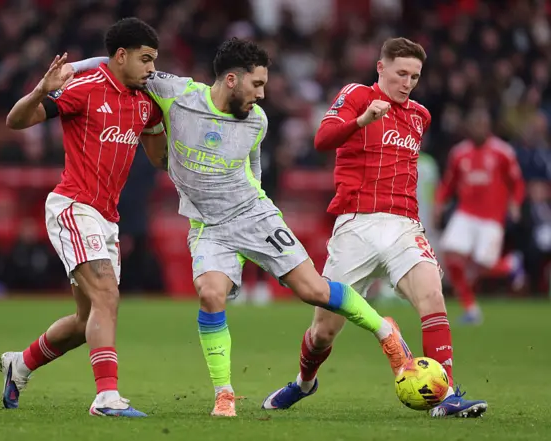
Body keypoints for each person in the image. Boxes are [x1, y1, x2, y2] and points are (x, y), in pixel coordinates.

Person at [69, 38, 412, 418]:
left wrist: (258, 212)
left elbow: (255, 171)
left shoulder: (257, 122)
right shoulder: (177, 93)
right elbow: (120, 62)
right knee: (210, 294)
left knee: (313, 290)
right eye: (257, 84)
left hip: (253, 215)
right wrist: (70, 71)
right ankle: (225, 393)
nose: (262, 95)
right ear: (231, 79)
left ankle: (386, 332)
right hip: (208, 225)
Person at [261, 37, 488, 418]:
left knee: (433, 296)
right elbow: (321, 141)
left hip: (403, 224)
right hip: (356, 224)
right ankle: (304, 382)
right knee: (323, 332)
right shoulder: (355, 95)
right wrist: (362, 120)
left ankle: (446, 394)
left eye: (415, 76)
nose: (408, 83)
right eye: (401, 73)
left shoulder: (421, 115)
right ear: (380, 68)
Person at [0, 18, 167, 418]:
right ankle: (106, 397)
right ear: (120, 55)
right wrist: (41, 89)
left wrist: (172, 123)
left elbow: (159, 159)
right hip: (74, 207)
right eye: (145, 60)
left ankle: (19, 364)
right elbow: (16, 121)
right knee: (107, 295)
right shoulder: (85, 89)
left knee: (86, 319)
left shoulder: (145, 102)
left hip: (107, 217)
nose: (151, 69)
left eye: (154, 61)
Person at [435, 108, 525, 324]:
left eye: (482, 125)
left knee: (483, 264)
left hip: (492, 218)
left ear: (489, 127)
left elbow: (517, 183)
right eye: (474, 125)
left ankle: (512, 264)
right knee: (449, 253)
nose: (478, 129)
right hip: (465, 213)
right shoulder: (459, 153)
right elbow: (449, 183)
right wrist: (439, 203)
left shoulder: (503, 152)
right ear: (469, 128)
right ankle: (471, 309)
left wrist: (516, 203)